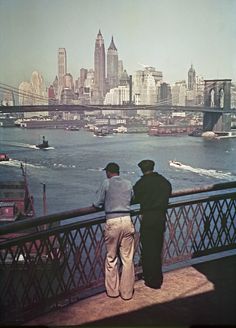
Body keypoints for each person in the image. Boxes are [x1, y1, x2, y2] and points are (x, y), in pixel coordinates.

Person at [93, 162, 135, 300]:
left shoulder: (106, 183)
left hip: (112, 221)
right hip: (127, 220)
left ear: (109, 172)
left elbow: (97, 203)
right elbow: (132, 198)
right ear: (119, 171)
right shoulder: (128, 183)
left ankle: (113, 292)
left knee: (111, 258)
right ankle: (127, 293)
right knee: (127, 259)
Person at [133, 159, 172, 289]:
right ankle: (158, 277)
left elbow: (134, 198)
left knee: (148, 249)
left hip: (148, 218)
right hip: (161, 218)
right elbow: (168, 191)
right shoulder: (163, 181)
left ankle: (151, 279)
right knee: (157, 247)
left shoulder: (141, 183)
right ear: (153, 167)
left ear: (142, 170)